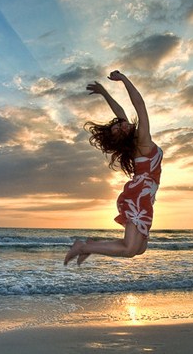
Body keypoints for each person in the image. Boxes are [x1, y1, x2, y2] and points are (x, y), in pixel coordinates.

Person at [64, 70, 163, 266]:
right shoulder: (142, 140)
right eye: (119, 130)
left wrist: (104, 93)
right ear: (122, 139)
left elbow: (120, 114)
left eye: (121, 125)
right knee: (128, 248)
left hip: (145, 195)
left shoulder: (134, 140)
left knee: (139, 249)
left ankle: (91, 244)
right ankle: (83, 247)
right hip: (139, 194)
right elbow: (140, 105)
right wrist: (124, 79)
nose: (123, 126)